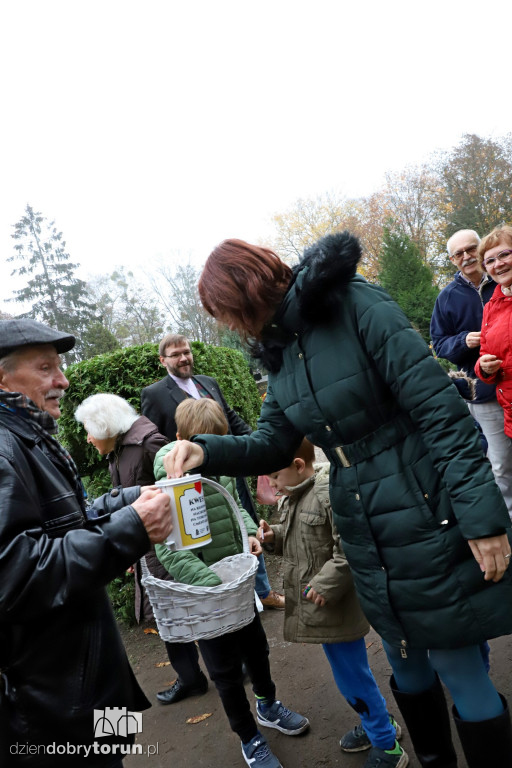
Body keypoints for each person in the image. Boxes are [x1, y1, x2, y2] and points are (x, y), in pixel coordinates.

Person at [164, 233, 512, 768]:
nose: (232, 326)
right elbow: (272, 443)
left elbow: (440, 411)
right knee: (406, 665)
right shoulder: (280, 354)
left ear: (249, 291)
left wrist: (482, 518)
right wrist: (202, 450)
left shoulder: (357, 303)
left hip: (425, 506)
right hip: (363, 519)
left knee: (455, 660)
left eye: (229, 313)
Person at [0, 319, 172, 767]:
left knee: (118, 754)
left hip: (92, 673)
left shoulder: (28, 435)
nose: (63, 380)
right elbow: (15, 573)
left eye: (59, 367)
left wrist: (129, 501)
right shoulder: (3, 447)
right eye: (45, 368)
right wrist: (132, 528)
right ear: (1, 378)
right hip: (54, 706)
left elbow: (65, 519)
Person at [154, 398, 309, 768]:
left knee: (257, 651)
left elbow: (232, 505)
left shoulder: (213, 462)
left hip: (237, 585)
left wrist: (248, 534)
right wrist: (210, 583)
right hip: (209, 597)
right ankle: (249, 737)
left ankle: (268, 706)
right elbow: (168, 550)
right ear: (180, 440)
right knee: (224, 671)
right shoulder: (167, 481)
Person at [258, 438, 407, 768]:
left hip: (334, 606)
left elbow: (351, 548)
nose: (270, 484)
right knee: (353, 675)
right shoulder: (293, 495)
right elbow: (299, 539)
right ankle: (381, 725)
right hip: (318, 607)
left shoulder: (328, 494)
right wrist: (274, 536)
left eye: (275, 476)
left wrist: (326, 583)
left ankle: (387, 746)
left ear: (299, 466)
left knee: (352, 678)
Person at [75, 392, 209, 706]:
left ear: (107, 427)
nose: (88, 438)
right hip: (148, 548)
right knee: (166, 616)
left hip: (169, 549)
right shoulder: (118, 448)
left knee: (188, 609)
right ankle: (191, 679)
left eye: (90, 430)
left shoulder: (148, 443)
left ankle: (225, 668)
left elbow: (181, 491)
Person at [141, 333, 284, 609]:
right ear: (163, 361)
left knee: (241, 520)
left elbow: (230, 420)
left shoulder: (207, 382)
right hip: (192, 483)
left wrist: (259, 448)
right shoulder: (155, 394)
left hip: (228, 469)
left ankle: (260, 590)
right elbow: (156, 438)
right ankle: (226, 593)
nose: (184, 357)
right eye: (175, 354)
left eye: (187, 351)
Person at [430, 228, 512, 517]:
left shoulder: (503, 281)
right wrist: (462, 341)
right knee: (500, 464)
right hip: (484, 391)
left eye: (471, 249)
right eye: (458, 254)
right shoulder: (447, 298)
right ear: (452, 260)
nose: (466, 257)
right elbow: (438, 345)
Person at [475, 224, 512, 440]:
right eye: (490, 261)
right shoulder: (491, 306)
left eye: (504, 254)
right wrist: (485, 368)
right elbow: (484, 353)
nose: (498, 264)